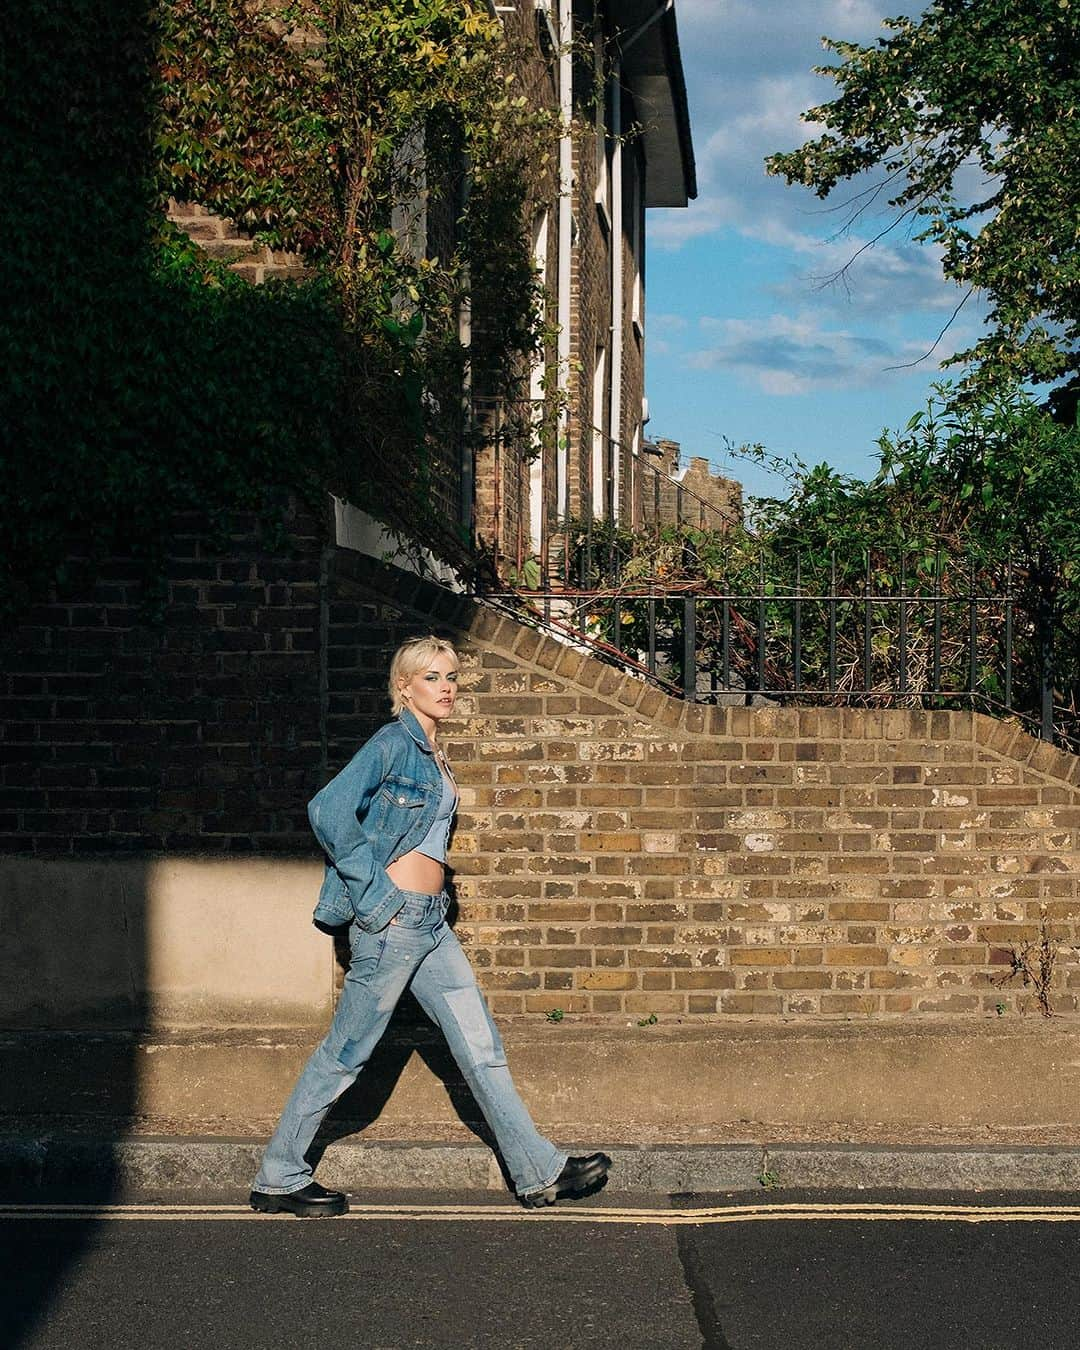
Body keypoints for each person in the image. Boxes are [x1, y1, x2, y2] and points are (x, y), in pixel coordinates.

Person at [249, 634, 611, 1215]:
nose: (446, 688)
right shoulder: (393, 744)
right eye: (433, 678)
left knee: (481, 1047)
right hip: (392, 924)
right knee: (346, 1054)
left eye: (451, 677)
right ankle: (279, 1176)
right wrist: (375, 896)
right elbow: (328, 808)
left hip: (431, 925)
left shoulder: (432, 753)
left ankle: (538, 1171)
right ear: (404, 686)